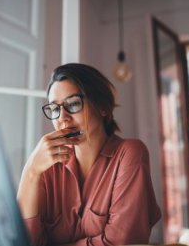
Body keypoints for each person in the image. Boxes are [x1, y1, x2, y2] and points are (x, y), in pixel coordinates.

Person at [17, 63, 161, 246]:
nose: (62, 118)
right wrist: (31, 170)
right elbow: (22, 241)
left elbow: (120, 242)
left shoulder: (130, 154)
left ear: (102, 106)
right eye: (55, 109)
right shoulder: (46, 167)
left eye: (73, 104)